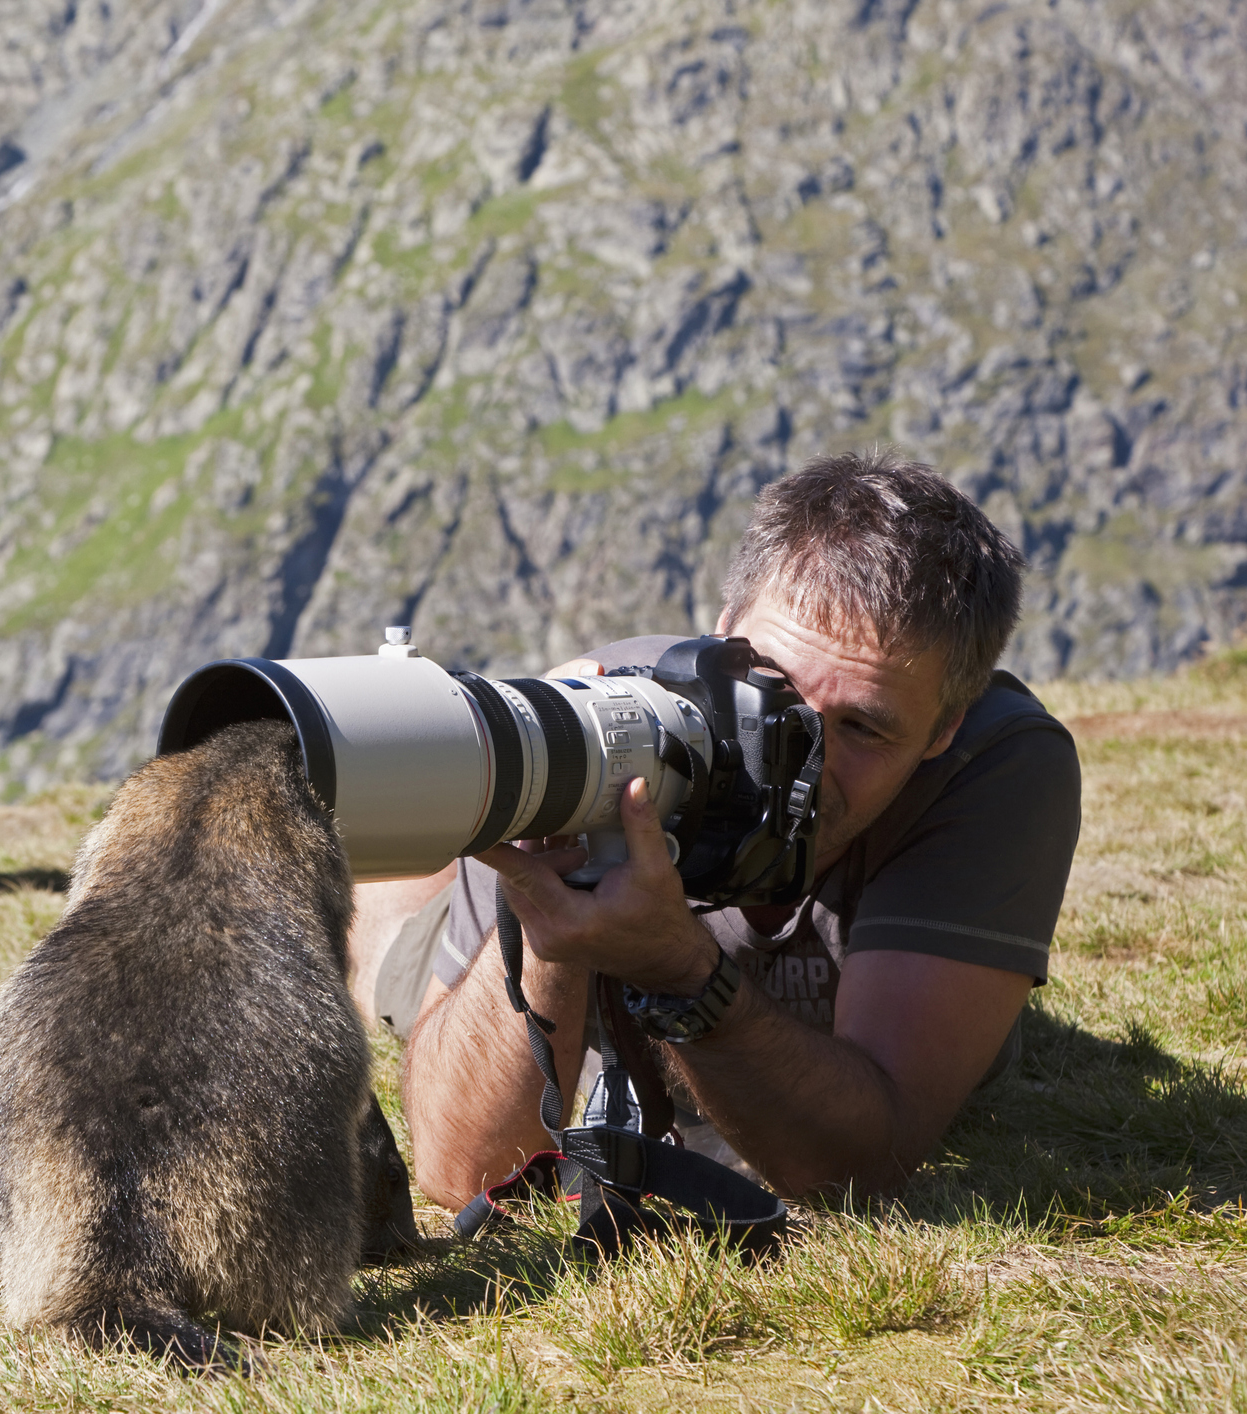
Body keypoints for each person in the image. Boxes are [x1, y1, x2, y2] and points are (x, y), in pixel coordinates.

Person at [352, 450, 1081, 1209]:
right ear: (723, 633)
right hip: (461, 947)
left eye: (862, 728)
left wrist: (680, 970)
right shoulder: (593, 725)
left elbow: (860, 1163)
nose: (803, 761)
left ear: (942, 727)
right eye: (775, 692)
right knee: (382, 939)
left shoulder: (993, 764)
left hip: (701, 1018)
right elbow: (463, 1174)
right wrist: (546, 929)